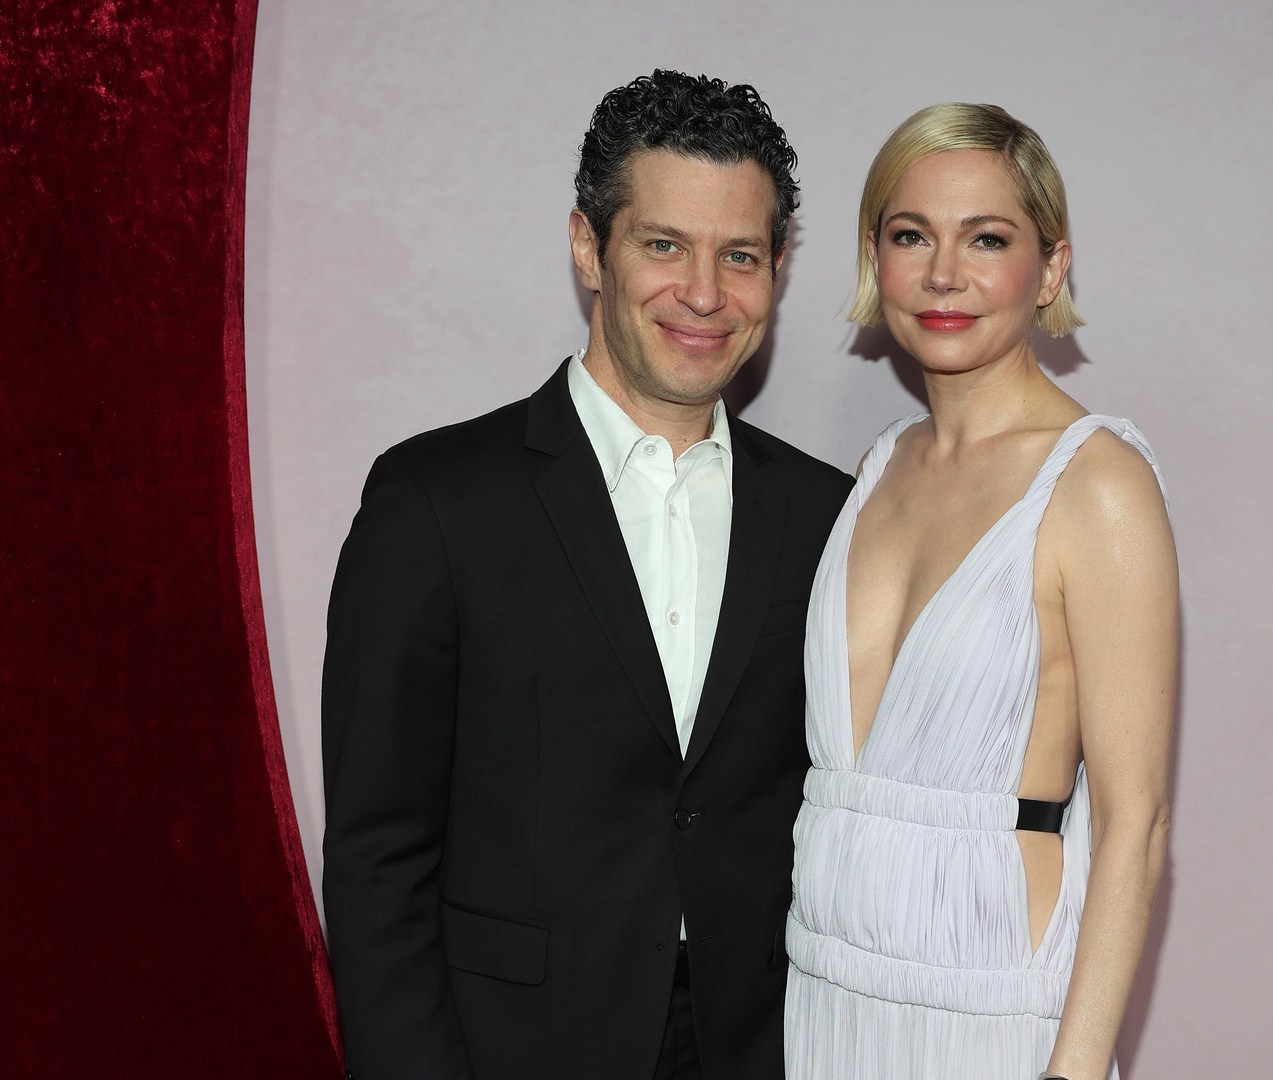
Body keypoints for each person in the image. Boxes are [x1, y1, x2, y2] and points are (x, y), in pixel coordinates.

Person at [321, 70, 852, 1080]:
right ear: (587, 246)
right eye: (664, 245)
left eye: (740, 255)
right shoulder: (435, 502)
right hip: (516, 1047)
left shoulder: (827, 515)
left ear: (776, 270)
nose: (705, 294)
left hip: (759, 1047)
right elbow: (376, 857)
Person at [785, 104, 1178, 1080]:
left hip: (991, 1004)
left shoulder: (1099, 484)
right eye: (911, 236)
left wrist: (1073, 1071)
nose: (944, 274)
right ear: (875, 259)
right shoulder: (879, 468)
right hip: (826, 991)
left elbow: (1135, 824)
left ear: (1050, 268)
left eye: (987, 239)